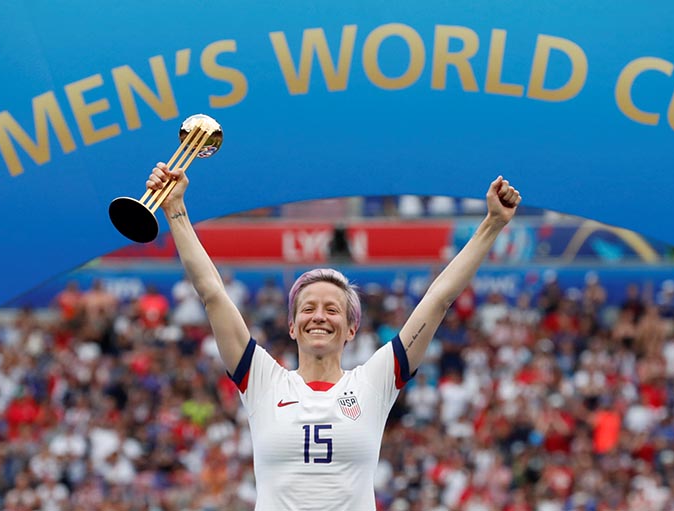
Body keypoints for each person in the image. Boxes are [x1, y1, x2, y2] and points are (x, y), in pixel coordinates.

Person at [145, 161, 522, 511]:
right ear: (292, 326)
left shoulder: (373, 382)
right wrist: (176, 209)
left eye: (332, 309)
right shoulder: (263, 381)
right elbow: (212, 293)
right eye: (308, 308)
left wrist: (492, 224)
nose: (319, 317)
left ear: (351, 328)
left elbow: (437, 301)